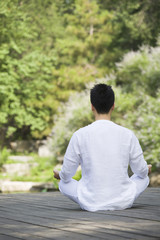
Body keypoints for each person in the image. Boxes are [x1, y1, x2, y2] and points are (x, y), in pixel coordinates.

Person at [53, 83, 152, 212]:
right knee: (143, 178)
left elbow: (67, 175)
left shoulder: (79, 135)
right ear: (113, 106)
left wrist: (60, 175)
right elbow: (141, 172)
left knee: (63, 183)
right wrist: (146, 169)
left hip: (90, 201)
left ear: (92, 106)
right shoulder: (128, 134)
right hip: (123, 200)